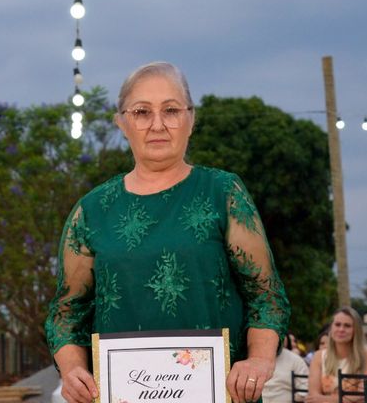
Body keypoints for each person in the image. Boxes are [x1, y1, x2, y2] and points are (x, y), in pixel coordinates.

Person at [45, 61, 290, 403]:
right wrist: (72, 371)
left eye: (171, 110)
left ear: (191, 119)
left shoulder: (223, 193)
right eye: (142, 112)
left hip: (222, 394)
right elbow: (66, 313)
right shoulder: (92, 211)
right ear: (122, 122)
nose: (157, 124)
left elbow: (266, 295)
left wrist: (259, 361)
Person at [307, 307, 367, 402]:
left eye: (347, 326)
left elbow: (363, 396)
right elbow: (313, 397)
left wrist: (324, 399)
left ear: (356, 330)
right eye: (337, 324)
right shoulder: (319, 356)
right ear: (331, 327)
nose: (341, 329)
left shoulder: (366, 354)